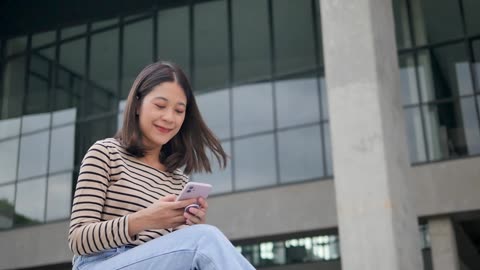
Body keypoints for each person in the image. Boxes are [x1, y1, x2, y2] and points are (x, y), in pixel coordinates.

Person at [68, 61, 255, 270]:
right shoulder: (105, 153)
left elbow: (169, 253)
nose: (169, 118)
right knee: (205, 240)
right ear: (138, 104)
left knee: (202, 237)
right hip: (100, 263)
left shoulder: (178, 180)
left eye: (179, 110)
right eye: (160, 106)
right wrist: (146, 219)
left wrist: (192, 227)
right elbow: (78, 239)